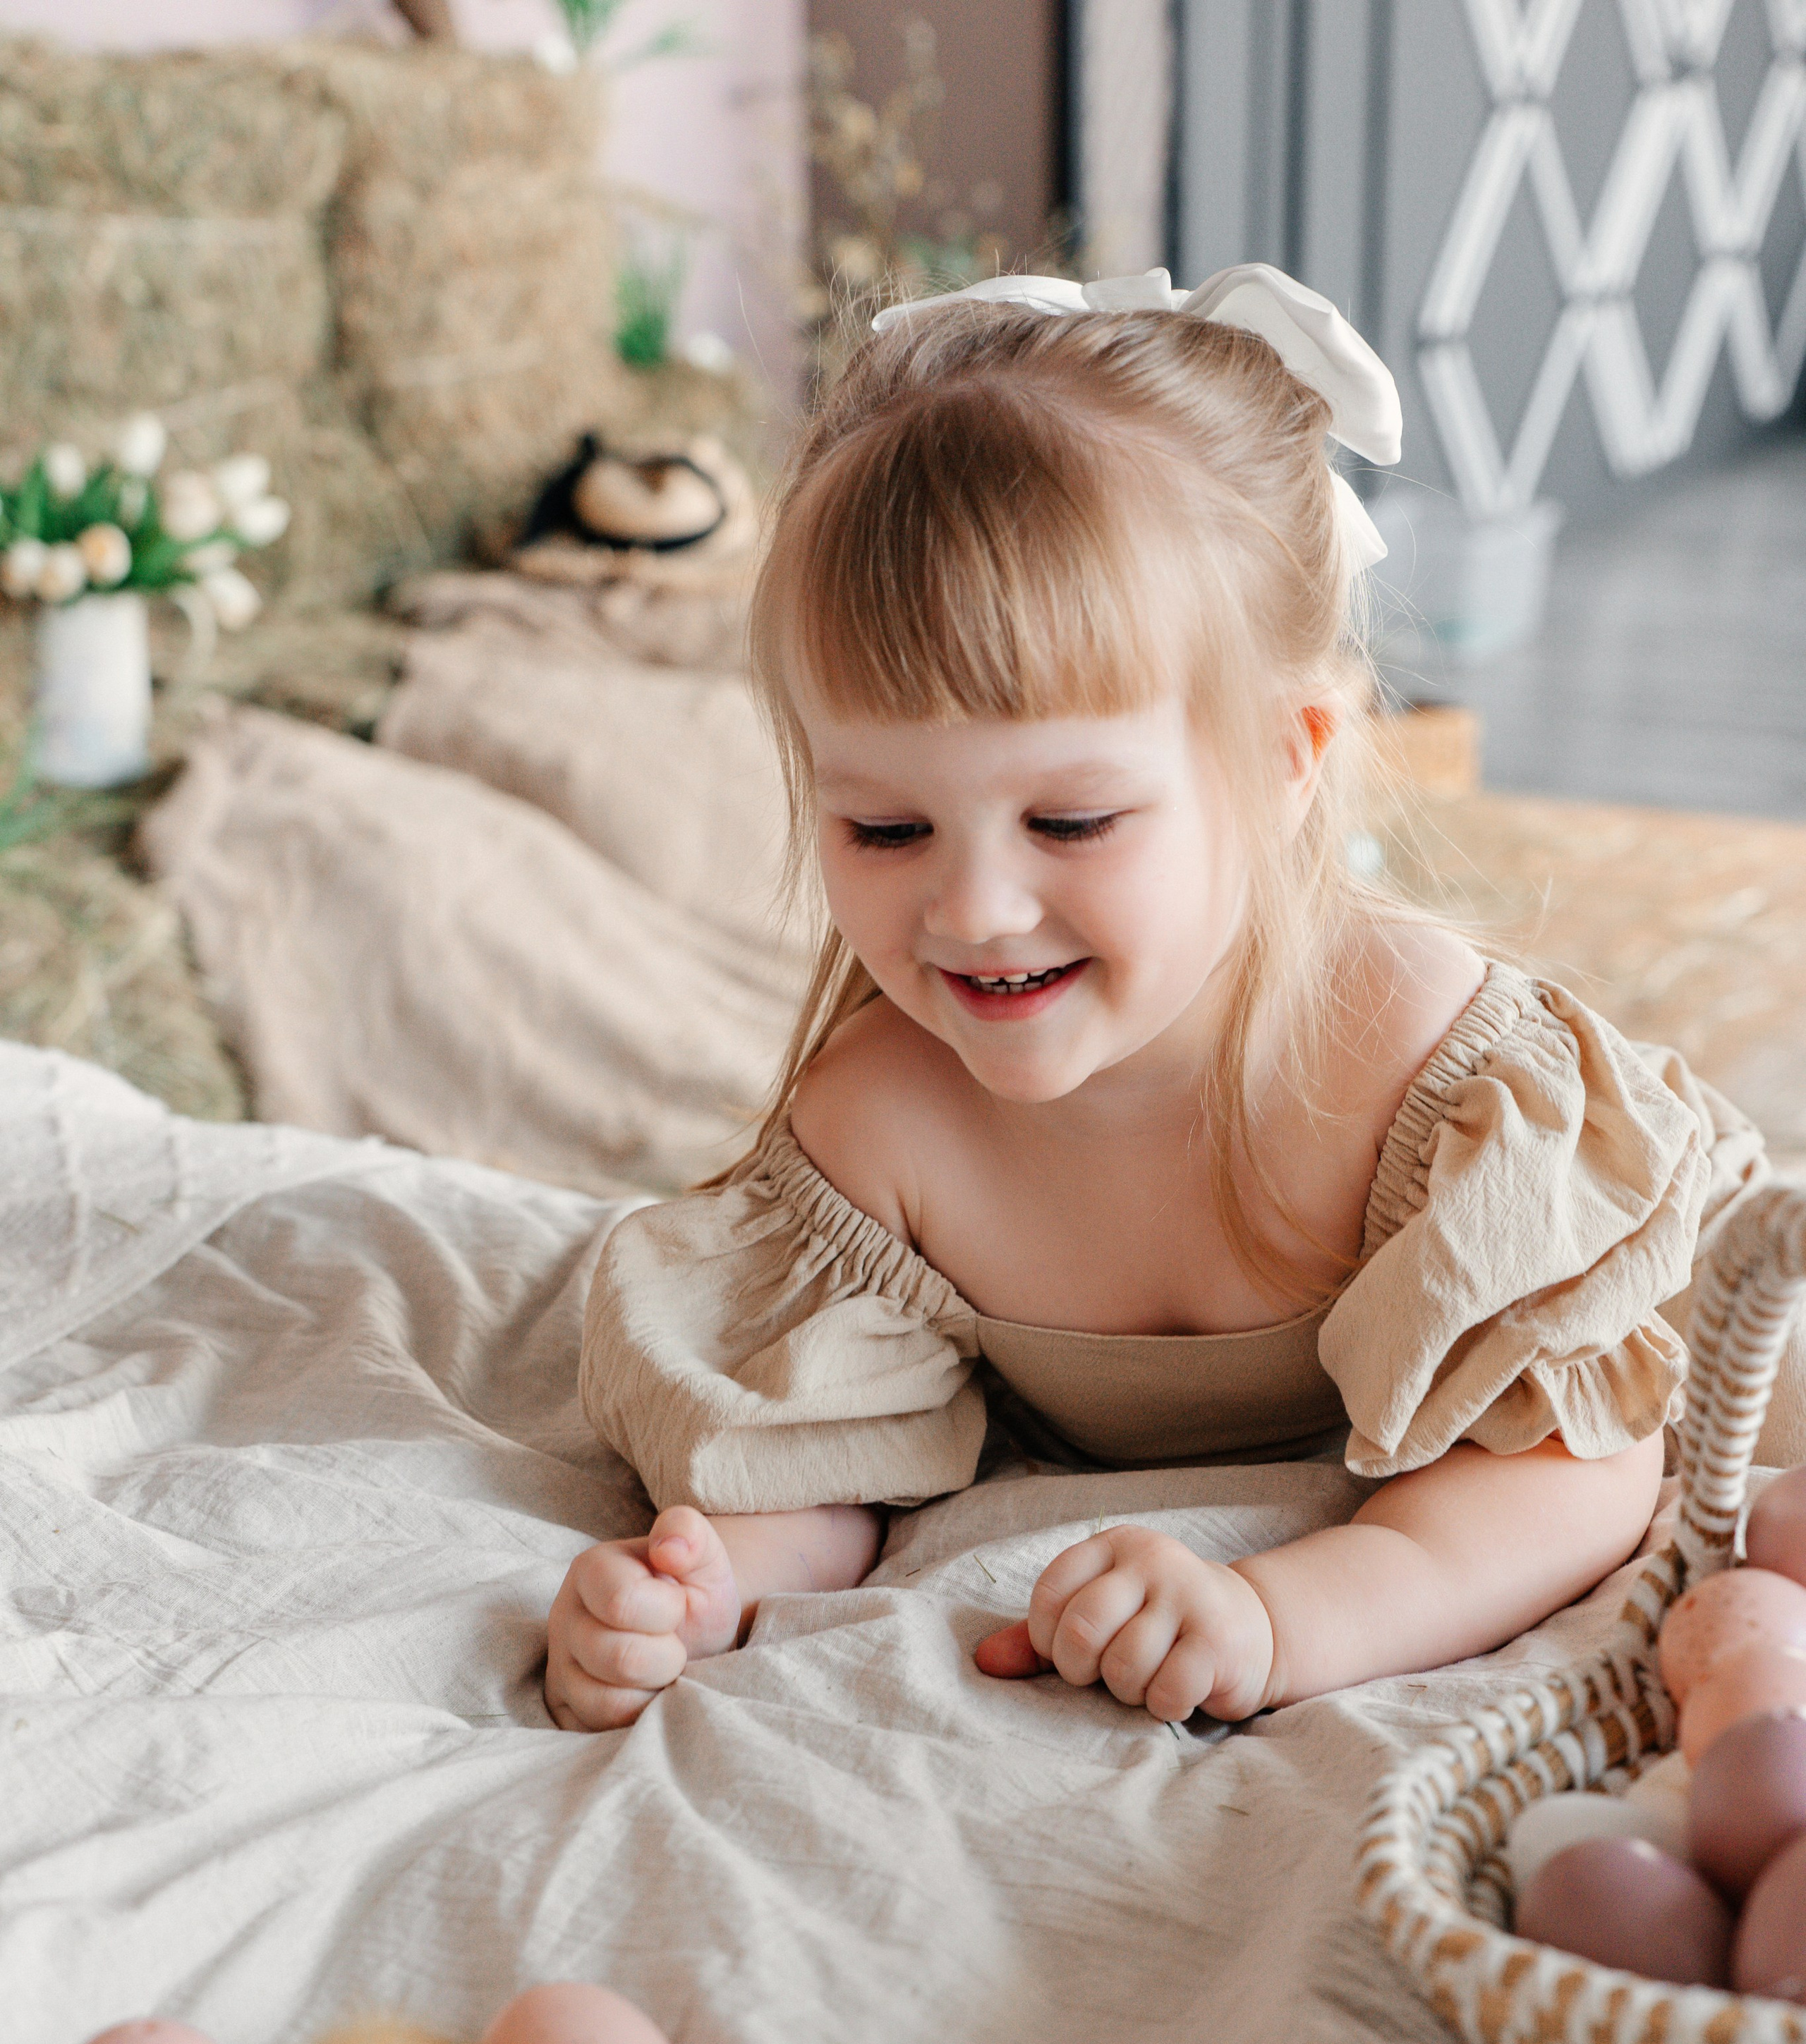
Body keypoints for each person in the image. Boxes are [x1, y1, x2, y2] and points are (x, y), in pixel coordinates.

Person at [545, 264, 1761, 1735]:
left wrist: (1277, 1614)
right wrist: (705, 1582)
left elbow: (1571, 1466)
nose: (974, 910)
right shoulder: (882, 1127)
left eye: (1067, 825)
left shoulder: (1416, 1069)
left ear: (1281, 759)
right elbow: (825, 1462)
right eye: (883, 829)